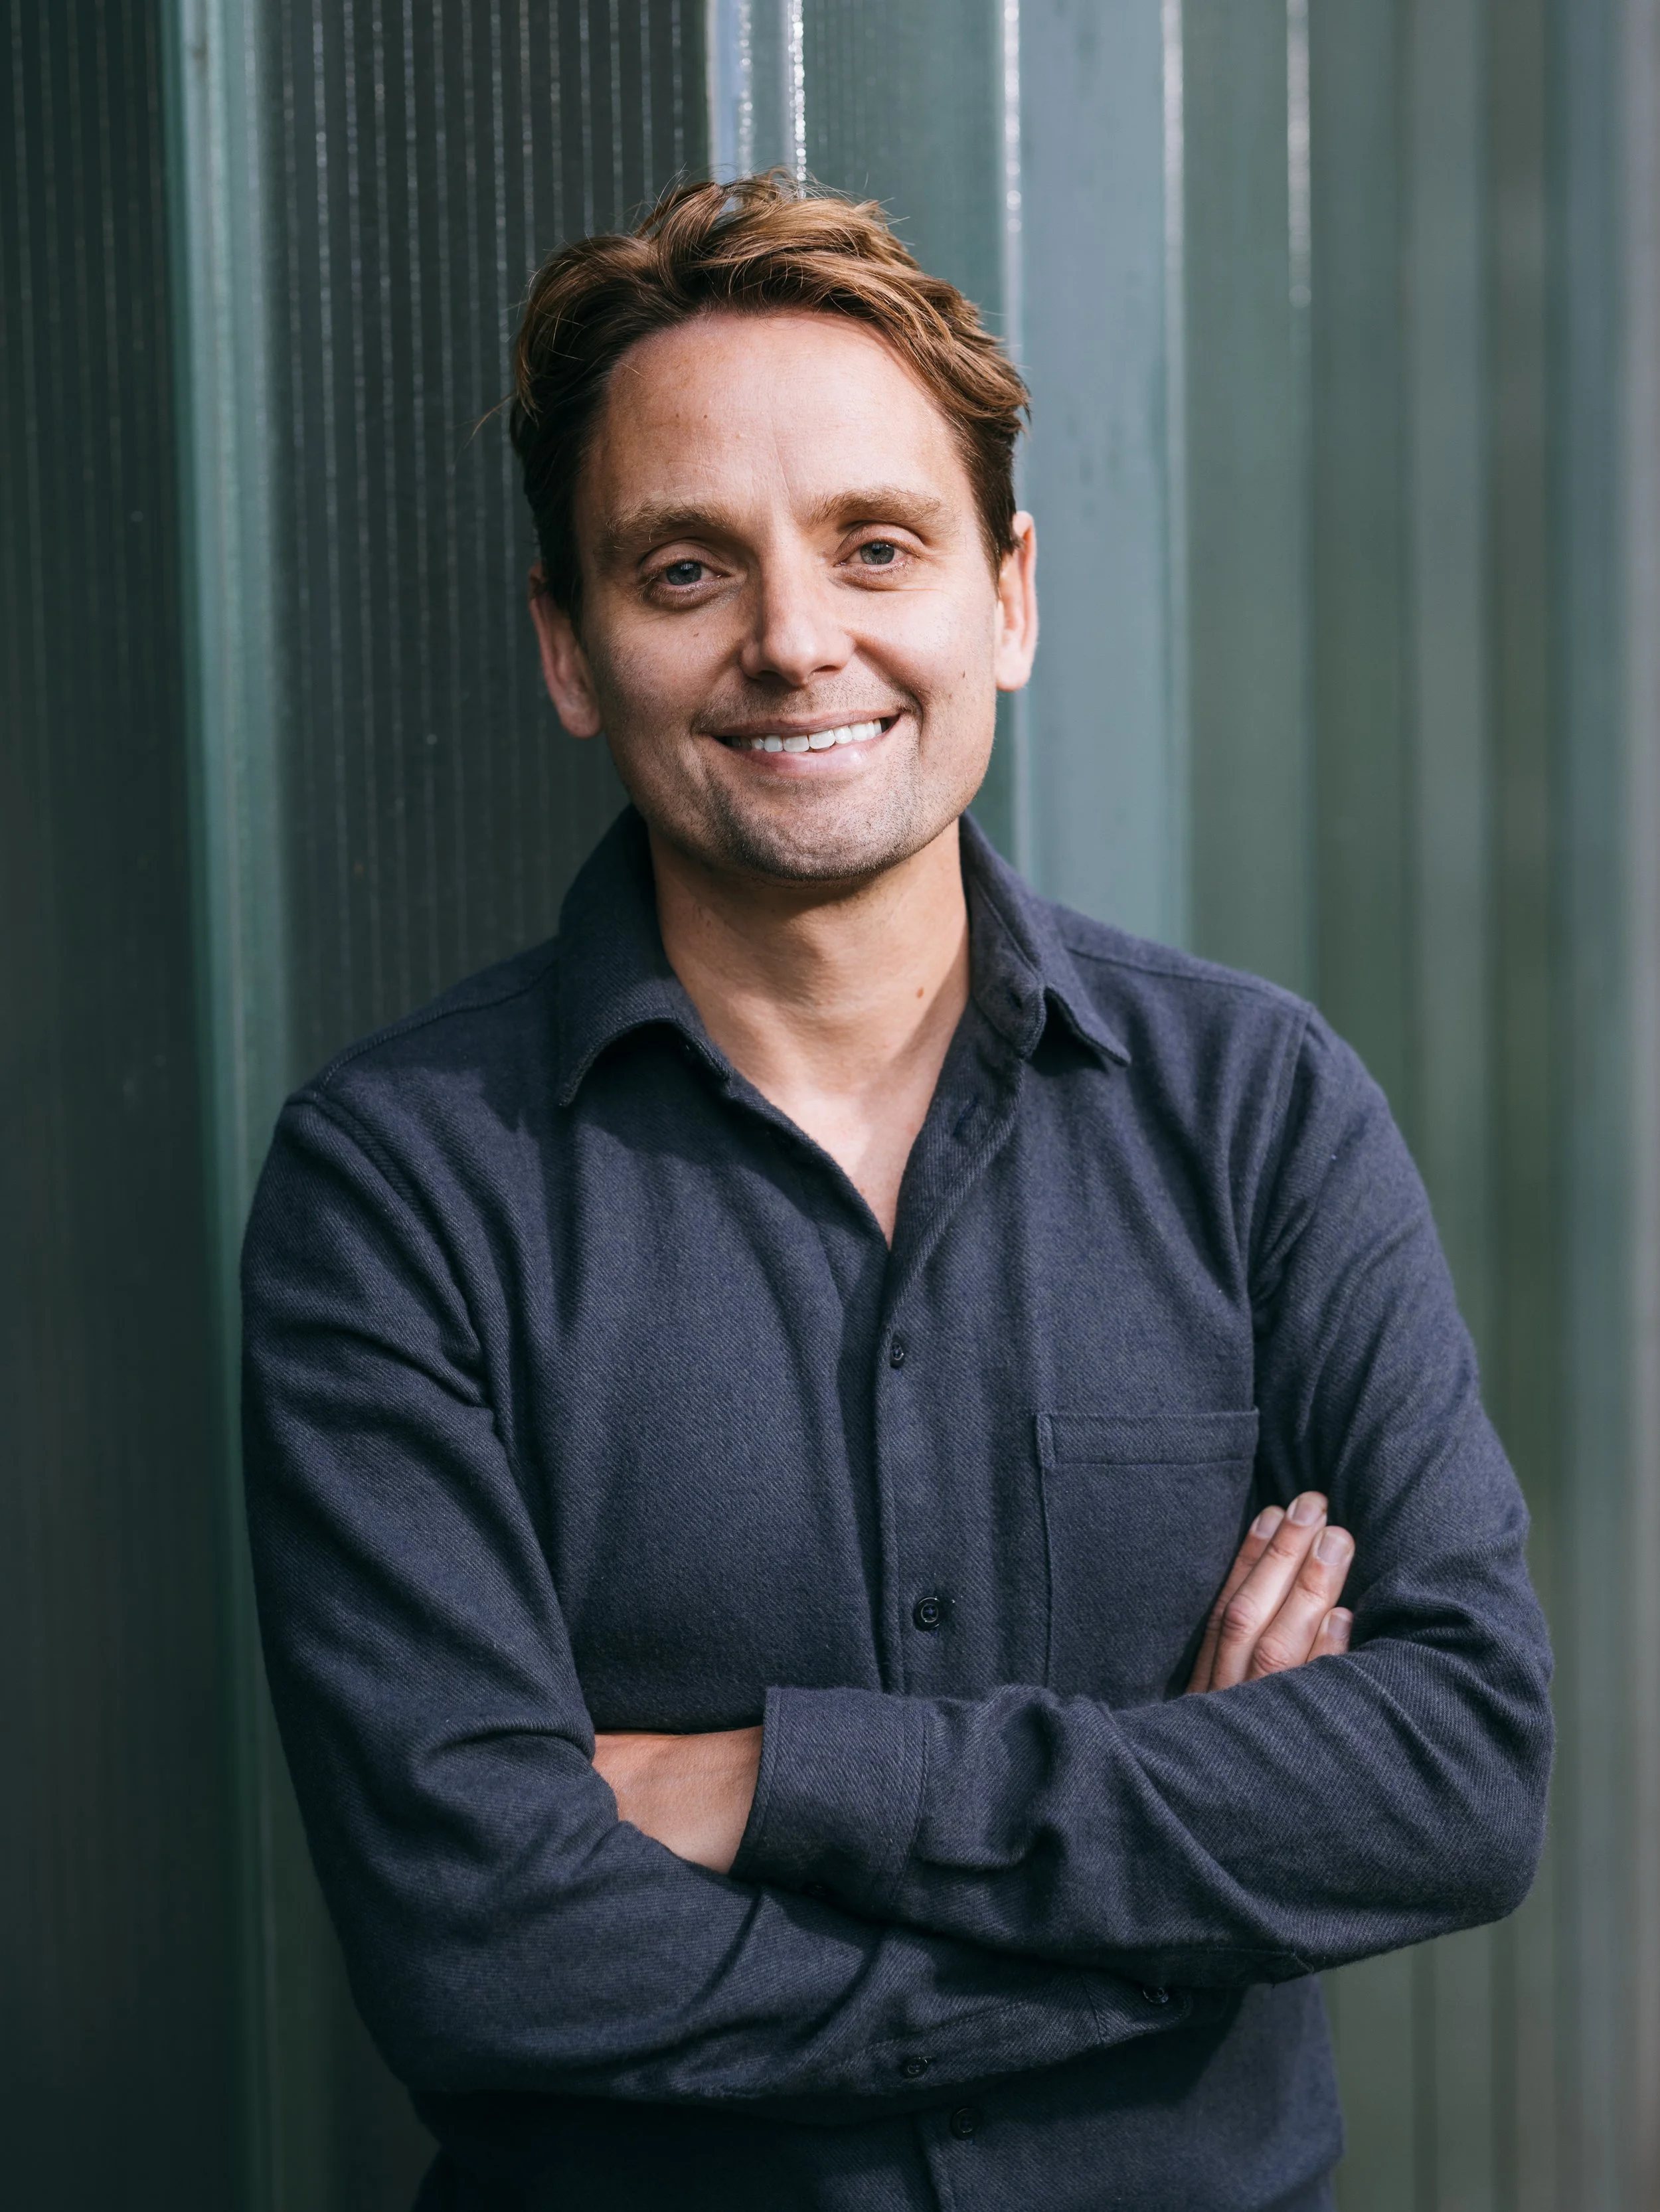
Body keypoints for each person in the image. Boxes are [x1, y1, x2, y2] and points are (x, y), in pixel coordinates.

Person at [241, 175, 1552, 2212]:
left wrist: (773, 1781)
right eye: (688, 570)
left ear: (1003, 598)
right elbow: (487, 1953)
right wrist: (1188, 1919)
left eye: (875, 545)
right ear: (569, 649)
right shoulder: (398, 1189)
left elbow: (1456, 1774)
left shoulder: (1256, 1108)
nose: (794, 640)